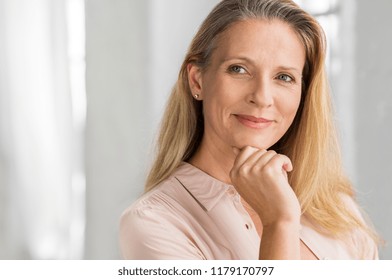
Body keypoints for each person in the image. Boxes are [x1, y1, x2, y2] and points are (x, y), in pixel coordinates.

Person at [120, 0, 380, 259]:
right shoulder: (154, 223)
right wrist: (279, 223)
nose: (263, 97)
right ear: (197, 80)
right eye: (239, 69)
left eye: (284, 77)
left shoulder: (335, 209)